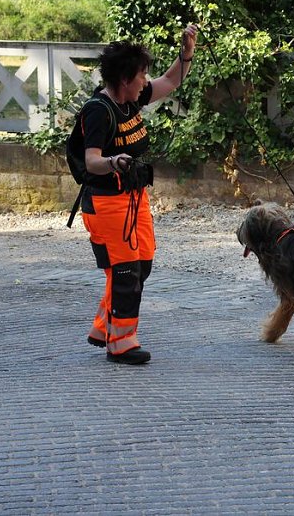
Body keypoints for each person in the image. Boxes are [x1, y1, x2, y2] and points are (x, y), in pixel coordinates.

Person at [79, 24, 198, 365]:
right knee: (127, 271)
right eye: (142, 75)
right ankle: (121, 343)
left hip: (133, 198)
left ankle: (105, 325)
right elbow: (91, 160)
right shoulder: (99, 111)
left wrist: (186, 51)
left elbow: (172, 81)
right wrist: (113, 161)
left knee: (141, 264)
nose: (147, 81)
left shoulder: (132, 99)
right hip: (106, 203)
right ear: (123, 78)